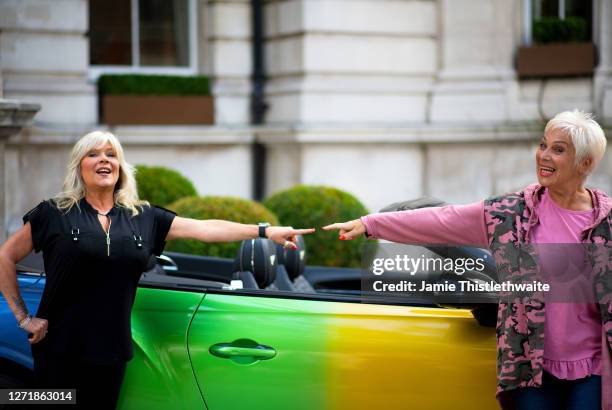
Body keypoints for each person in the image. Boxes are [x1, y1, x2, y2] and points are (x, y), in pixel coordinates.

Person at [0, 131, 314, 409]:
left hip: (111, 354)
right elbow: (5, 257)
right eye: (93, 154)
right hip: (59, 352)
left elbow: (205, 229)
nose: (104, 160)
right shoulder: (54, 213)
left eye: (112, 154)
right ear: (79, 166)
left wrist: (264, 231)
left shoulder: (143, 216)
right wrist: (23, 317)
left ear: (121, 167)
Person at [324, 109, 610, 410]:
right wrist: (371, 224)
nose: (544, 156)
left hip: (592, 370)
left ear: (585, 163)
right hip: (530, 371)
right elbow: (444, 220)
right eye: (543, 145)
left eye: (558, 149)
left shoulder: (606, 221)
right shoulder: (511, 214)